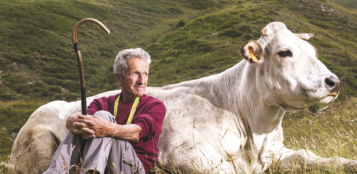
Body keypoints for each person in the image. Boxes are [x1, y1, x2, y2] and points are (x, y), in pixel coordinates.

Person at [44, 48, 166, 174]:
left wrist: (107, 129)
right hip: (106, 166)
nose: (142, 80)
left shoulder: (155, 105)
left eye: (145, 74)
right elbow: (85, 126)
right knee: (85, 123)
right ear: (119, 78)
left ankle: (90, 171)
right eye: (135, 73)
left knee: (101, 118)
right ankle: (56, 172)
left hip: (134, 169)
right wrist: (71, 122)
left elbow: (136, 133)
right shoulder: (100, 103)